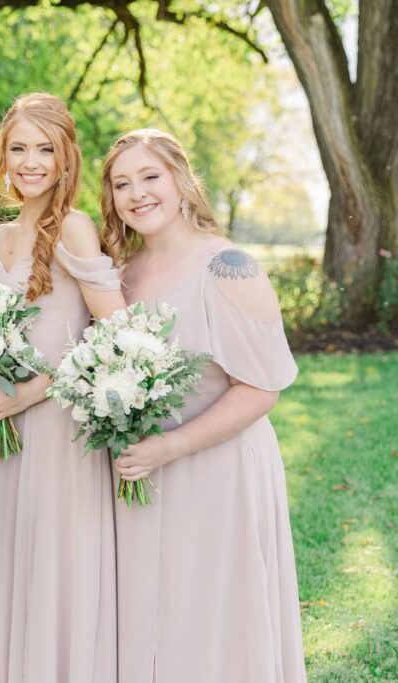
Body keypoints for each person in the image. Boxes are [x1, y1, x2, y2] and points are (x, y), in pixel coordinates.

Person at [100, 127, 306, 682]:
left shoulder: (227, 266)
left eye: (150, 177)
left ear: (181, 181)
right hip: (147, 474)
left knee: (213, 619)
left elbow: (262, 387)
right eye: (122, 184)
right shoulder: (121, 275)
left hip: (219, 472)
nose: (137, 193)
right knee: (157, 623)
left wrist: (171, 446)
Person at [0, 92, 124, 682]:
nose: (30, 161)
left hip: (58, 426)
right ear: (1, 159)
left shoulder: (76, 228)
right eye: (18, 148)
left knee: (55, 567)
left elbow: (116, 336)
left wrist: (34, 391)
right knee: (7, 566)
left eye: (44, 149)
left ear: (65, 159)